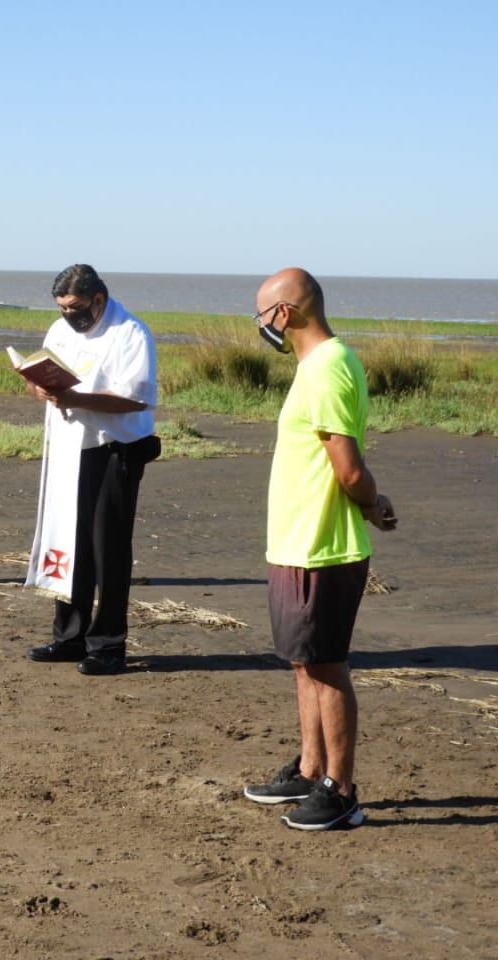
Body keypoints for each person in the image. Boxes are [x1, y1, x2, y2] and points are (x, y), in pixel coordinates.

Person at [243, 268, 397, 831]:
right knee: (304, 662)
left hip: (322, 547)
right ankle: (311, 771)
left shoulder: (329, 366)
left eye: (262, 316)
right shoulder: (313, 367)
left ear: (283, 314)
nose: (262, 327)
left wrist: (374, 503)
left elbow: (349, 467)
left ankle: (342, 791)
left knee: (327, 666)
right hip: (295, 544)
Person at [25, 265, 159, 675]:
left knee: (108, 550)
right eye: (63, 307)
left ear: (99, 299)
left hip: (115, 450)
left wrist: (75, 397)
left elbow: (137, 399)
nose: (70, 315)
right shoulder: (59, 330)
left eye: (77, 307)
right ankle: (69, 636)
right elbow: (41, 380)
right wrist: (41, 387)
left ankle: (108, 645)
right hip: (68, 449)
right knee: (68, 541)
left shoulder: (131, 332)